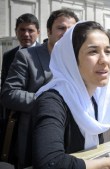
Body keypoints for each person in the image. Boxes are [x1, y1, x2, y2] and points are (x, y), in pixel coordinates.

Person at [32, 21, 110, 169]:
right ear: (72, 59)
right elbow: (50, 163)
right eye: (93, 51)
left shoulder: (96, 99)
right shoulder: (52, 102)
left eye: (107, 51)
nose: (104, 60)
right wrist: (108, 163)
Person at [0, 9, 78, 168]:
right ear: (49, 31)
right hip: (33, 138)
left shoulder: (77, 60)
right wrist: (49, 104)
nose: (66, 33)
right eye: (61, 28)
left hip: (70, 141)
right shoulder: (26, 57)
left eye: (71, 30)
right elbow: (9, 94)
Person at [0, 13, 40, 163]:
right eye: (22, 30)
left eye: (31, 30)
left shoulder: (46, 54)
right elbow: (6, 87)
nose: (26, 34)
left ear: (38, 32)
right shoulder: (9, 56)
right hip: (12, 119)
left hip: (35, 118)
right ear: (16, 31)